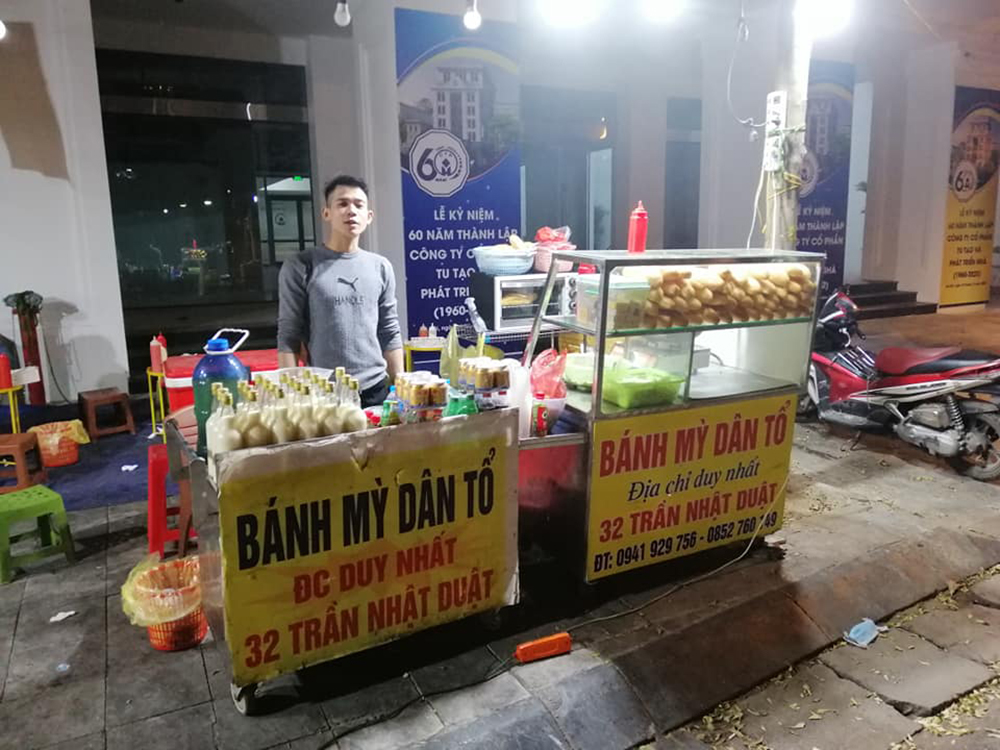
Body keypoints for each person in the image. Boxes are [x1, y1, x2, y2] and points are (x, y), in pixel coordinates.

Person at [277, 175, 403, 408]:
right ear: (327, 213)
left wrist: (401, 387)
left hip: (376, 390)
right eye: (342, 204)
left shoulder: (380, 267)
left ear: (369, 216)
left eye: (358, 205)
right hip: (324, 393)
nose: (351, 211)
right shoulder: (302, 265)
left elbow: (389, 330)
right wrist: (292, 397)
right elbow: (288, 335)